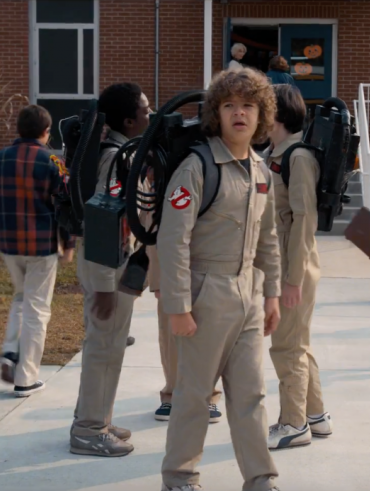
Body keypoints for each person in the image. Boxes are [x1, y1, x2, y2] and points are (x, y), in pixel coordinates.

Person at [158, 68, 281, 491]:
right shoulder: (198, 167)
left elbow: (268, 239)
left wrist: (271, 295)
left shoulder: (261, 171)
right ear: (217, 113)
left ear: (262, 115)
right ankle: (179, 478)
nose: (239, 113)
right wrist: (178, 307)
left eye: (248, 105)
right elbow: (173, 239)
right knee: (194, 395)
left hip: (248, 294)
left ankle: (261, 478)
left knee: (251, 393)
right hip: (205, 293)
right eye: (229, 105)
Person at [69, 82, 151, 457]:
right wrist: (105, 285)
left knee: (107, 345)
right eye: (145, 110)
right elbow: (103, 217)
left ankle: (96, 417)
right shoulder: (116, 158)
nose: (150, 115)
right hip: (107, 263)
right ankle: (89, 430)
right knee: (104, 347)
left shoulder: (115, 153)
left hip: (109, 259)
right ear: (129, 121)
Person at [0, 105, 76, 397]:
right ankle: (26, 377)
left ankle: (10, 351)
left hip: (9, 244)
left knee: (22, 297)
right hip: (42, 245)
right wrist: (68, 242)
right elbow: (64, 204)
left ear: (18, 130)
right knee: (37, 308)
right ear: (46, 132)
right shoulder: (53, 161)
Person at [263, 84, 331, 450]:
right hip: (286, 263)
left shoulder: (298, 157)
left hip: (294, 266)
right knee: (297, 343)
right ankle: (315, 415)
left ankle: (293, 423)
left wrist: (291, 280)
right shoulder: (276, 153)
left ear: (275, 114)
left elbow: (305, 219)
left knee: (286, 346)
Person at [146, 239, 224, 424]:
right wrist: (157, 281)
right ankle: (172, 395)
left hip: (211, 269)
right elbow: (154, 233)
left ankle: (208, 396)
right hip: (171, 274)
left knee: (209, 337)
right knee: (171, 339)